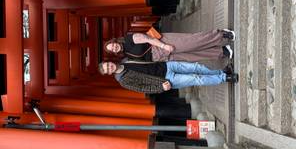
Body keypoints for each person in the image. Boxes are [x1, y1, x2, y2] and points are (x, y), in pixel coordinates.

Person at [98, 60, 238, 94]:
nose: (110, 67)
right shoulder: (123, 80)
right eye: (107, 69)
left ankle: (222, 72)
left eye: (108, 65)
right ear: (109, 73)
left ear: (109, 62)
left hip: (166, 65)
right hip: (165, 80)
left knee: (196, 67)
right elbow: (142, 88)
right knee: (196, 78)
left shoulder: (126, 61)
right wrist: (161, 88)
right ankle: (225, 79)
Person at [103, 29, 235, 63]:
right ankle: (221, 51)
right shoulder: (125, 54)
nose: (114, 47)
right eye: (112, 50)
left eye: (112, 45)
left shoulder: (127, 39)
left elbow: (146, 38)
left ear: (115, 41)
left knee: (192, 42)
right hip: (160, 57)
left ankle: (221, 35)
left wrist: (164, 46)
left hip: (162, 44)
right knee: (191, 56)